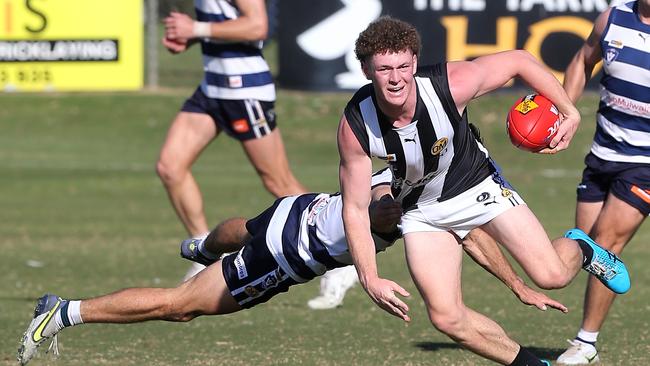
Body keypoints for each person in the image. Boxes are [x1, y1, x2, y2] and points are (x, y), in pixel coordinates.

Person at [17, 170, 566, 366]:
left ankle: (202, 245)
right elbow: (467, 237)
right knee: (178, 308)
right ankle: (65, 313)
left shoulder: (403, 165)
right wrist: (518, 283)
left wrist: (517, 282)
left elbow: (394, 200)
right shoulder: (420, 202)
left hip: (297, 208)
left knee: (248, 225)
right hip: (287, 256)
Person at [336, 16, 631, 366]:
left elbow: (521, 60)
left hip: (475, 184)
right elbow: (355, 209)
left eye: (403, 66)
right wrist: (369, 278)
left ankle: (581, 247)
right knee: (446, 317)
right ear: (366, 70)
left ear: (414, 62)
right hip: (420, 210)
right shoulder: (356, 125)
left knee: (551, 276)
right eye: (384, 69)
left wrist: (569, 110)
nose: (396, 78)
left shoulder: (450, 84)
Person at [157, 0, 306, 280]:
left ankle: (337, 247)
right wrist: (190, 37)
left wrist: (196, 27)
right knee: (170, 167)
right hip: (212, 88)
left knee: (278, 182)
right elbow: (226, 26)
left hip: (244, 90)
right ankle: (207, 254)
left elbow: (257, 26)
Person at [556, 1, 649, 364]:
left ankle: (585, 343)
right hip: (602, 155)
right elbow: (582, 60)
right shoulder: (612, 17)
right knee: (585, 250)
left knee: (605, 245)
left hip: (644, 163)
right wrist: (567, 110)